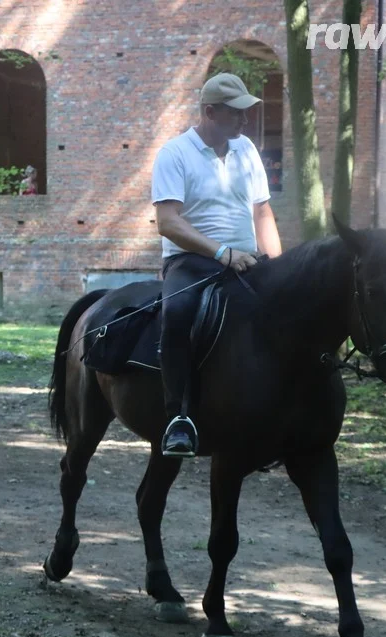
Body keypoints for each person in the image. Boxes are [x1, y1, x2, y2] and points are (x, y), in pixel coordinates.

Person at [151, 72, 283, 457]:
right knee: (176, 313)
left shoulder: (247, 151)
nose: (245, 121)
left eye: (246, 113)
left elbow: (262, 213)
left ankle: (280, 410)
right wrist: (222, 253)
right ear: (209, 112)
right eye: (236, 113)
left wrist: (275, 266)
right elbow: (169, 222)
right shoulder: (174, 154)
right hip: (191, 263)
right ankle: (178, 418)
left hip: (248, 261)